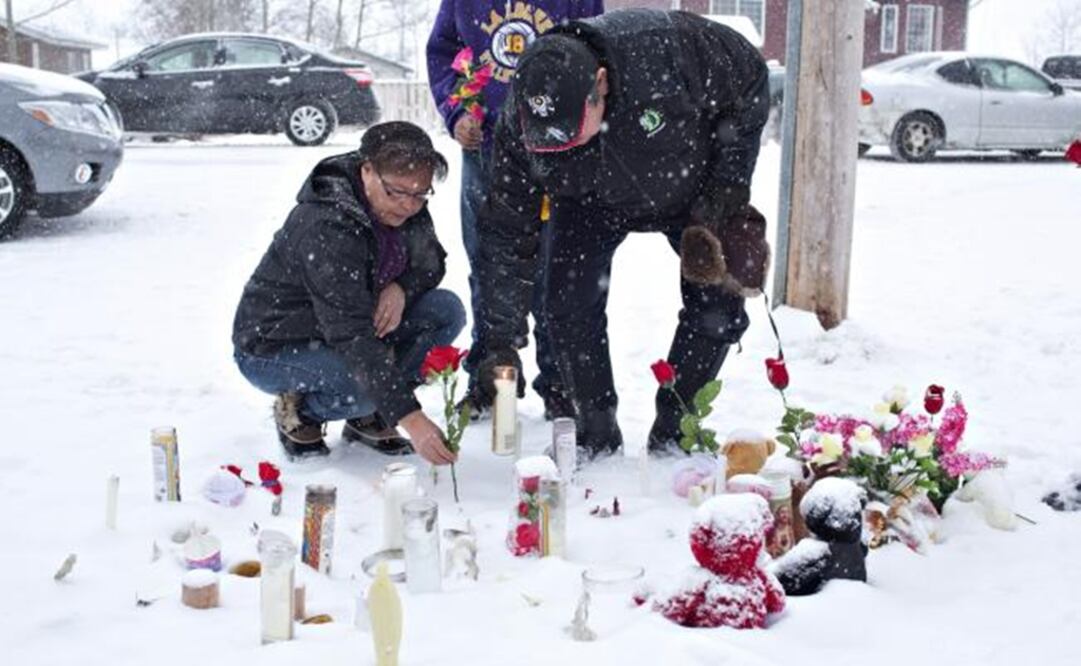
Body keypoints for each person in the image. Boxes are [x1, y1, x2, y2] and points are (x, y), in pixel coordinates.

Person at [468, 9, 772, 460]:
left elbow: (750, 79)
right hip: (588, 200)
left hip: (691, 188)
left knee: (720, 303)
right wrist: (499, 339)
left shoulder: (668, 48)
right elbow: (505, 234)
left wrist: (725, 192)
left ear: (601, 85)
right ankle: (596, 432)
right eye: (549, 143)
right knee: (565, 306)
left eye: (570, 134)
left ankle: (678, 425)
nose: (561, 146)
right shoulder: (521, 115)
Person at [232, 121, 465, 464]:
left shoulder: (406, 201)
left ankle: (365, 416)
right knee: (359, 385)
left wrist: (402, 288)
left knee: (445, 310)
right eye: (396, 193)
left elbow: (432, 263)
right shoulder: (326, 225)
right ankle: (301, 412)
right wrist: (410, 417)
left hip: (347, 327)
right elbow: (350, 333)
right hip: (275, 343)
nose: (408, 206)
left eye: (420, 194)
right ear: (366, 170)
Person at [426, 0, 604, 421]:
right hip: (486, 155)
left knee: (558, 269)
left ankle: (561, 385)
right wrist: (457, 112)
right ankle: (491, 379)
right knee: (489, 266)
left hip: (559, 152)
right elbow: (443, 53)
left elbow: (598, 57)